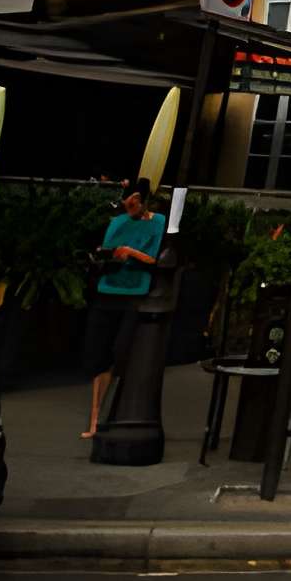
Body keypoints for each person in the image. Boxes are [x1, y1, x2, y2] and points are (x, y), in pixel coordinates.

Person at [81, 182, 167, 440]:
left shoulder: (158, 222)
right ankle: (95, 420)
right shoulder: (119, 222)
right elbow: (108, 248)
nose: (129, 209)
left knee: (122, 351)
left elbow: (154, 257)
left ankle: (115, 413)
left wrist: (131, 253)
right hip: (109, 288)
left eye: (133, 204)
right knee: (99, 354)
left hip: (134, 292)